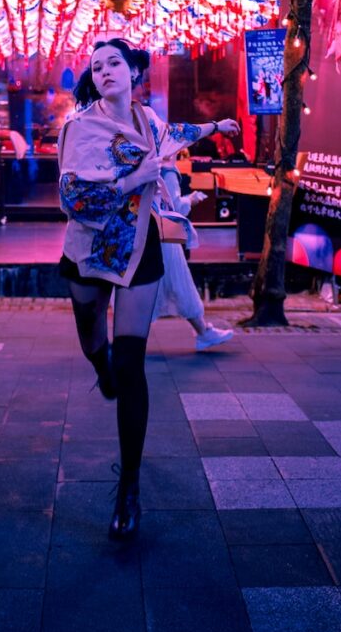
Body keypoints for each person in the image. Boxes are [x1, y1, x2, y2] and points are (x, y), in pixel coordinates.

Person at [57, 38, 239, 541]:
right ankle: (102, 368)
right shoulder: (80, 127)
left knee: (131, 365)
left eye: (114, 62)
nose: (105, 71)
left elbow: (175, 133)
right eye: (97, 66)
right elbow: (73, 198)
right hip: (90, 251)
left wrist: (215, 127)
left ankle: (128, 488)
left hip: (140, 248)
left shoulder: (148, 120)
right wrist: (132, 178)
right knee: (94, 342)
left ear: (135, 70)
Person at [152, 159, 234, 350]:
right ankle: (203, 332)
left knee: (148, 289)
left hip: (149, 234)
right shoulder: (167, 170)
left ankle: (203, 331)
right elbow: (174, 208)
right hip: (165, 239)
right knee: (181, 285)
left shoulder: (149, 162)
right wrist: (192, 200)